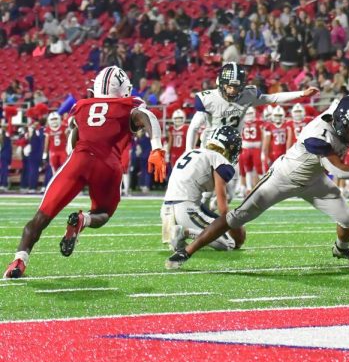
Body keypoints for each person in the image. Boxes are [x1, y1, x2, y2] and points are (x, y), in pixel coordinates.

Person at [166, 96, 349, 270]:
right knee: (236, 217)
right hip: (284, 177)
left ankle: (342, 250)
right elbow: (338, 169)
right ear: (340, 121)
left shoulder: (341, 113)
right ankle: (186, 251)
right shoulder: (317, 134)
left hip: (313, 179)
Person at [5, 67, 167, 279]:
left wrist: (74, 163)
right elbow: (147, 116)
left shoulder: (82, 106)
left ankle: (19, 260)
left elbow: (75, 135)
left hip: (79, 160)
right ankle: (83, 220)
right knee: (103, 213)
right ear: (123, 89)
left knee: (40, 218)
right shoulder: (129, 104)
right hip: (108, 165)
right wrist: (157, 148)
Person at [185, 62, 317, 151]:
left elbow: (273, 98)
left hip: (232, 146)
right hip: (210, 144)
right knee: (209, 189)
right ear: (221, 84)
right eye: (229, 86)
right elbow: (194, 127)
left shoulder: (247, 95)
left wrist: (302, 93)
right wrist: (188, 151)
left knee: (225, 186)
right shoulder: (208, 99)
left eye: (236, 87)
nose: (232, 91)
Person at [162, 125, 245, 253]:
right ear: (231, 147)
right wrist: (238, 229)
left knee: (180, 246)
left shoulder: (190, 152)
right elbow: (223, 210)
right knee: (229, 243)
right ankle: (184, 232)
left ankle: (177, 234)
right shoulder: (219, 160)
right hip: (186, 209)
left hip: (166, 209)